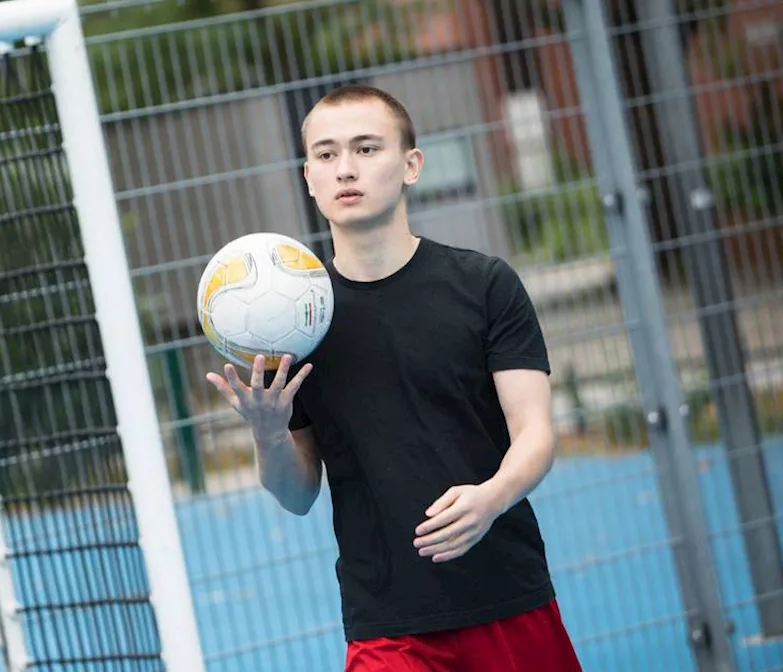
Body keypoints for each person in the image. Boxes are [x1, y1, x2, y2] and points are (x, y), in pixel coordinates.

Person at [204, 83, 584, 671]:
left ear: (411, 165)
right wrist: (268, 432)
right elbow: (297, 494)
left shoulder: (484, 285)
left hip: (506, 595)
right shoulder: (294, 325)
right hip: (387, 627)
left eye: (366, 148)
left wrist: (491, 498)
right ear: (309, 177)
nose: (345, 169)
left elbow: (535, 433)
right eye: (326, 155)